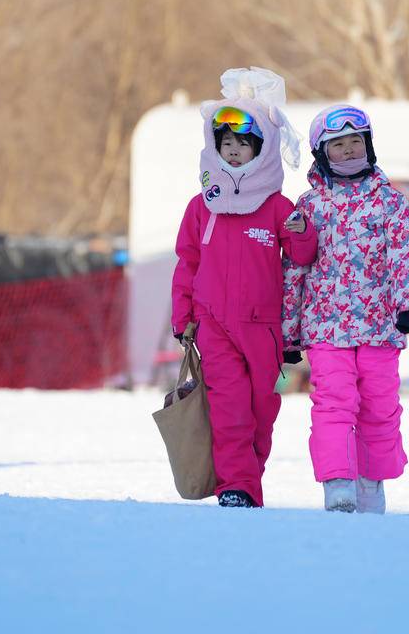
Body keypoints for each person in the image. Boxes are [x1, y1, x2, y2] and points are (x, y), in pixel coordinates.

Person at [171, 67, 317, 509]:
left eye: (244, 145)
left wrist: (302, 230)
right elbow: (187, 263)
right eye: (227, 144)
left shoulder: (276, 207)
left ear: (261, 150)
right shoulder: (202, 208)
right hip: (214, 327)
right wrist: (184, 316)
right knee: (230, 412)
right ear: (215, 148)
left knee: (260, 415)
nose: (234, 152)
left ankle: (246, 477)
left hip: (264, 331)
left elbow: (303, 255)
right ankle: (236, 488)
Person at [283, 104, 409, 514]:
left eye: (354, 143)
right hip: (327, 329)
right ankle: (338, 483)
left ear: (368, 146)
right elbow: (294, 267)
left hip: (381, 326)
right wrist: (289, 332)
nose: (348, 151)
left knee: (380, 405)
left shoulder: (390, 202)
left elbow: (406, 253)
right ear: (321, 154)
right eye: (338, 145)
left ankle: (369, 482)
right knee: (333, 402)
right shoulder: (309, 206)